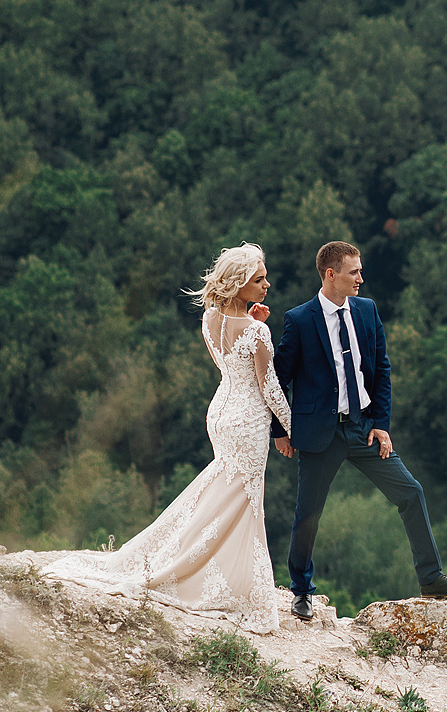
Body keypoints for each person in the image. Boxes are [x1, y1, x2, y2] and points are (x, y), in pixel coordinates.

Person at [39, 244, 293, 633]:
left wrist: (250, 321)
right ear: (239, 284)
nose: (267, 285)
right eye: (259, 280)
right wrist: (296, 429)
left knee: (224, 494)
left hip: (221, 413)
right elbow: (269, 389)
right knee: (243, 500)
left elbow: (228, 366)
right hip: (247, 421)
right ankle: (224, 581)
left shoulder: (210, 319)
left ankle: (214, 571)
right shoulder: (258, 331)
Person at [271, 240, 447, 619]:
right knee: (308, 514)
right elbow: (277, 378)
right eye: (354, 272)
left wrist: (381, 424)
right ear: (331, 275)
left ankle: (431, 578)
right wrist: (280, 431)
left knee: (411, 492)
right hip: (321, 434)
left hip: (362, 429)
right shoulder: (299, 319)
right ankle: (301, 590)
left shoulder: (366, 310)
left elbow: (382, 369)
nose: (361, 279)